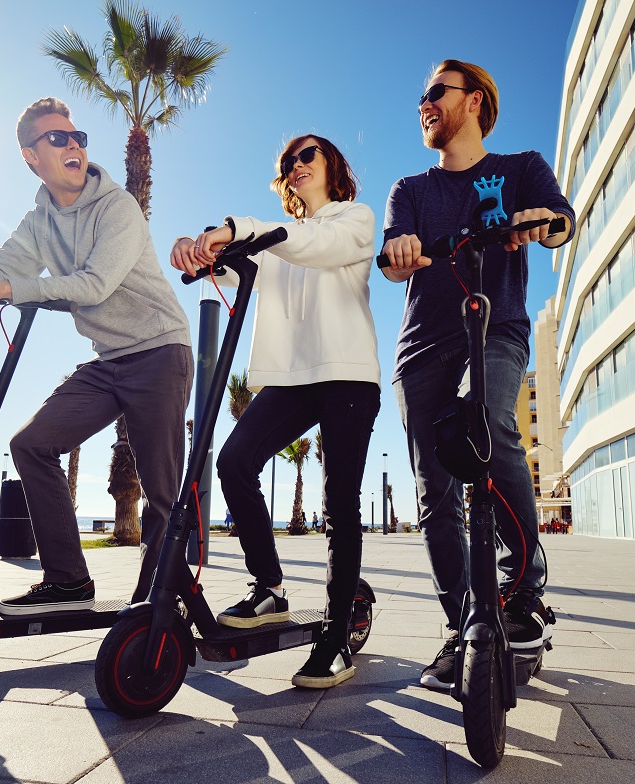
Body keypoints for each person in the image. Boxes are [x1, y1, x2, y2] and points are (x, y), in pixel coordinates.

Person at [0, 97, 193, 615]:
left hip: (160, 350)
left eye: (77, 137)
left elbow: (95, 286)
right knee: (31, 444)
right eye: (58, 138)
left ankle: (158, 606)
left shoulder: (117, 206)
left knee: (162, 492)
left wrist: (6, 287)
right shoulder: (39, 221)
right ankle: (69, 582)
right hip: (109, 360)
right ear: (31, 156)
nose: (73, 145)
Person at [379, 60, 575, 690]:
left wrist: (542, 223)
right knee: (433, 488)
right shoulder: (410, 188)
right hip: (423, 349)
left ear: (475, 100)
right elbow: (390, 258)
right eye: (420, 96)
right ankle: (460, 627)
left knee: (491, 421)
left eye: (436, 91)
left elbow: (561, 221)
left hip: (495, 327)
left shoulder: (519, 169)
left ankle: (522, 587)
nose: (424, 103)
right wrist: (401, 252)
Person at [171, 134, 380, 689]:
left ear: (332, 164)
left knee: (339, 501)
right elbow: (236, 270)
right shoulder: (273, 243)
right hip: (292, 380)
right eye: (287, 162)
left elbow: (311, 244)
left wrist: (239, 230)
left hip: (347, 374)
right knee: (234, 464)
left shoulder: (353, 219)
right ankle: (270, 589)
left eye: (305, 156)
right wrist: (199, 250)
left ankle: (336, 636)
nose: (295, 166)